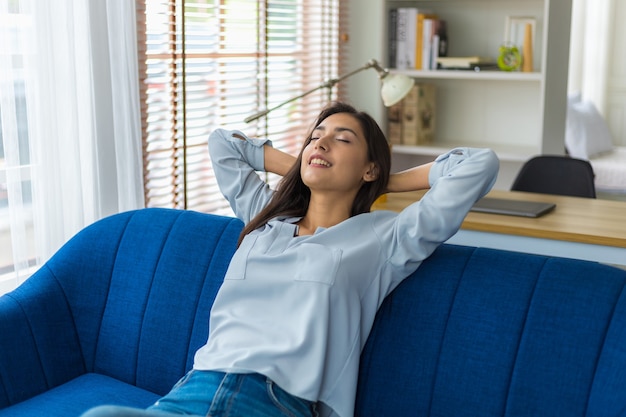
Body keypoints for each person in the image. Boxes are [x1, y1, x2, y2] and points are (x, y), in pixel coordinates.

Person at [81, 102, 499, 417]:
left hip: (275, 403)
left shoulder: (387, 238)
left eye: (343, 138)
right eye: (316, 135)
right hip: (192, 392)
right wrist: (304, 164)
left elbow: (479, 165)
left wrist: (386, 180)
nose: (321, 141)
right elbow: (223, 144)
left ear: (370, 168)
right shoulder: (265, 218)